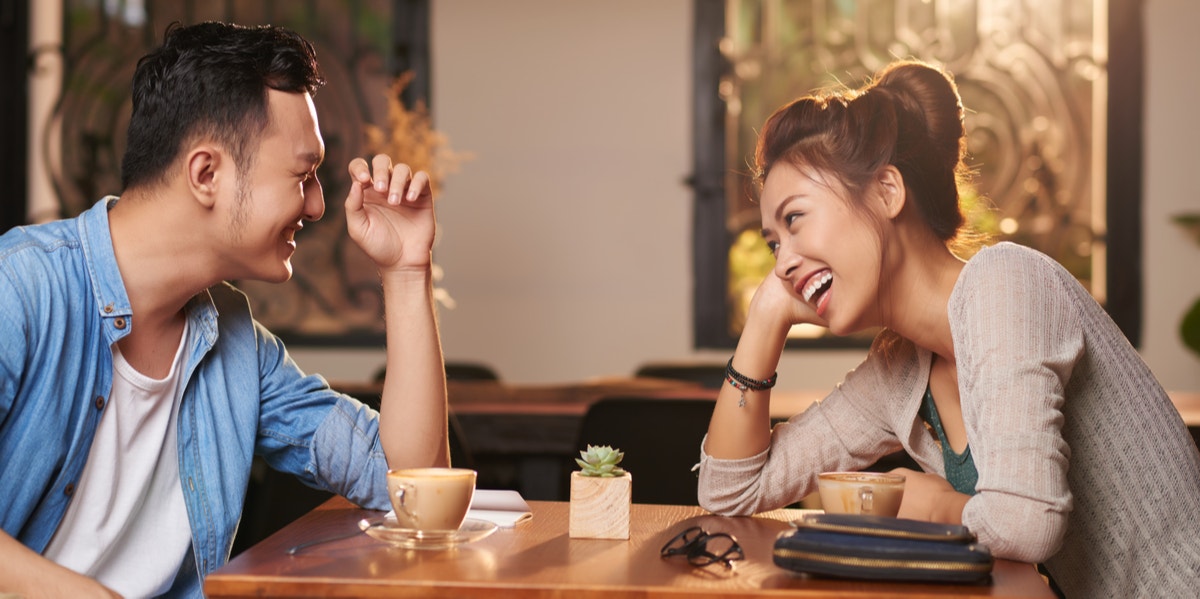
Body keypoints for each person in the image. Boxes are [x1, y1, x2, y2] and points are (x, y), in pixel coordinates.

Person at [696, 59, 1200, 597]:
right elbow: (730, 493)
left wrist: (934, 504)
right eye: (774, 244)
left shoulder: (1006, 283)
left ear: (888, 191)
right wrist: (766, 319)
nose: (782, 263)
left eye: (795, 219)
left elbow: (1028, 522)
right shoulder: (898, 370)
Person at [0, 21, 448, 597]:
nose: (316, 206)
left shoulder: (236, 344)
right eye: (303, 175)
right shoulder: (20, 289)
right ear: (207, 174)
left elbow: (414, 489)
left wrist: (407, 270)